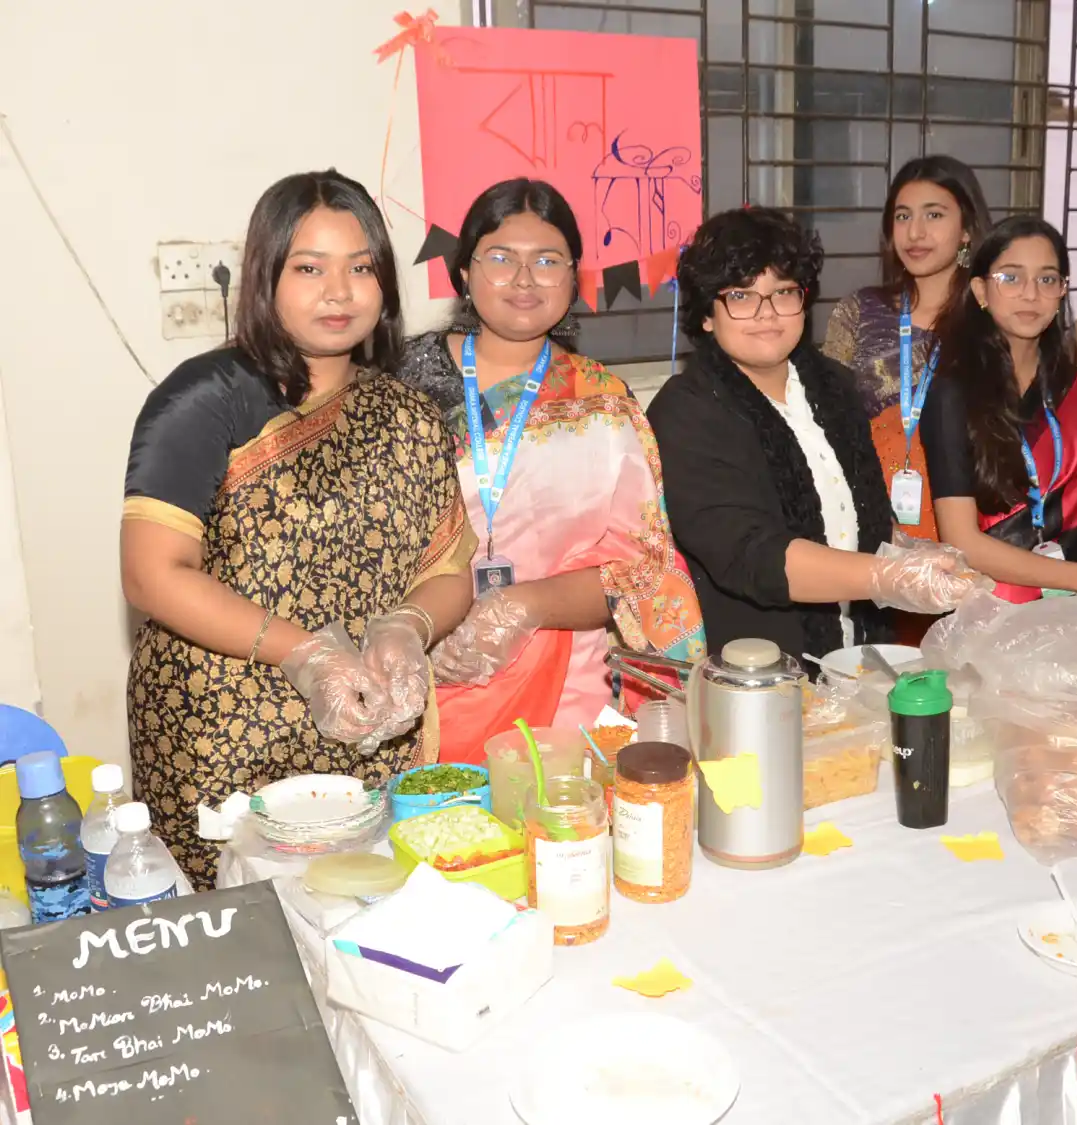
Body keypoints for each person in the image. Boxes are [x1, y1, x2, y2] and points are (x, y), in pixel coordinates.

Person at [122, 170, 477, 887]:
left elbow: (449, 570)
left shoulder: (407, 413)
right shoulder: (204, 400)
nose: (339, 292)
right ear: (266, 277)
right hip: (221, 743)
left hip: (367, 735)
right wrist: (308, 654)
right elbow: (151, 574)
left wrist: (406, 627)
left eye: (361, 268)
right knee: (247, 933)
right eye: (310, 268)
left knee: (359, 915)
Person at [398, 179, 704, 763]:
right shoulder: (398, 384)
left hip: (568, 698)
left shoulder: (603, 402)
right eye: (500, 258)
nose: (524, 279)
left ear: (573, 277)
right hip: (421, 690)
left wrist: (525, 606)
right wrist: (416, 628)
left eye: (546, 260)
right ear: (464, 272)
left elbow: (642, 573)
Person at [647, 206, 979, 668]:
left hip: (860, 656)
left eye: (783, 292)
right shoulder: (685, 410)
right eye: (741, 296)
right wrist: (889, 576)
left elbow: (859, 515)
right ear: (706, 314)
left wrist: (914, 554)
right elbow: (751, 555)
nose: (767, 313)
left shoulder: (834, 387)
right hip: (761, 675)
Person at [919, 215, 1077, 603]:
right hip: (986, 604)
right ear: (981, 291)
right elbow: (962, 541)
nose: (1031, 294)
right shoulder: (952, 392)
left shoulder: (1072, 387)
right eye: (1011, 278)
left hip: (1069, 599)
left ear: (1062, 291)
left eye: (1047, 279)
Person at [823, 155, 991, 542]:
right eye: (903, 216)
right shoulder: (858, 312)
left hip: (974, 528)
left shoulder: (991, 321)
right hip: (867, 520)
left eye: (934, 215)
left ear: (967, 229)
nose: (915, 232)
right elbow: (828, 421)